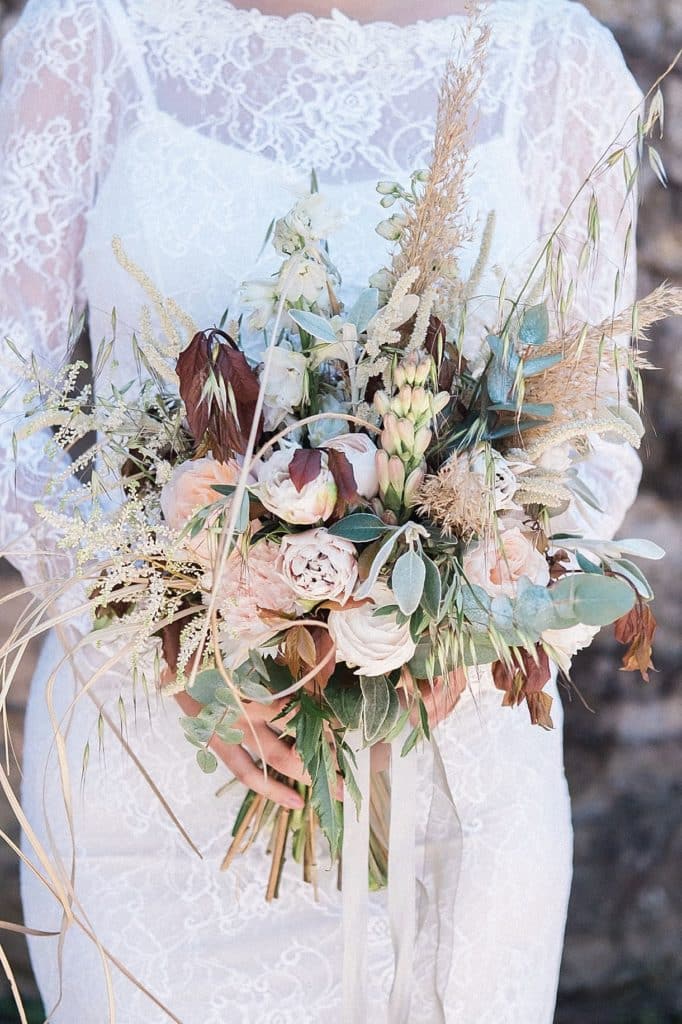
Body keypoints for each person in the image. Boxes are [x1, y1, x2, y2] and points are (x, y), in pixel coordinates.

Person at [0, 0, 643, 1020]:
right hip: (155, 784)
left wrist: (456, 617)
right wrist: (169, 630)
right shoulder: (85, 39)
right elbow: (8, 407)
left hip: (454, 774)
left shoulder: (560, 63)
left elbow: (597, 435)